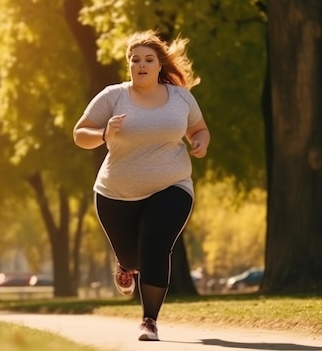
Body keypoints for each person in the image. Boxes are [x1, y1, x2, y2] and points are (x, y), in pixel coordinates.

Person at [73, 30, 210, 342]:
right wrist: (103, 134)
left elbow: (199, 129)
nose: (142, 64)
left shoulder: (180, 97)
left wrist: (200, 141)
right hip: (116, 193)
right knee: (134, 259)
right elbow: (80, 134)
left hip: (172, 184)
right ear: (129, 65)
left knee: (155, 245)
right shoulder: (113, 96)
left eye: (148, 59)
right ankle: (125, 264)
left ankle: (149, 319)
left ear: (159, 65)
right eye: (135, 60)